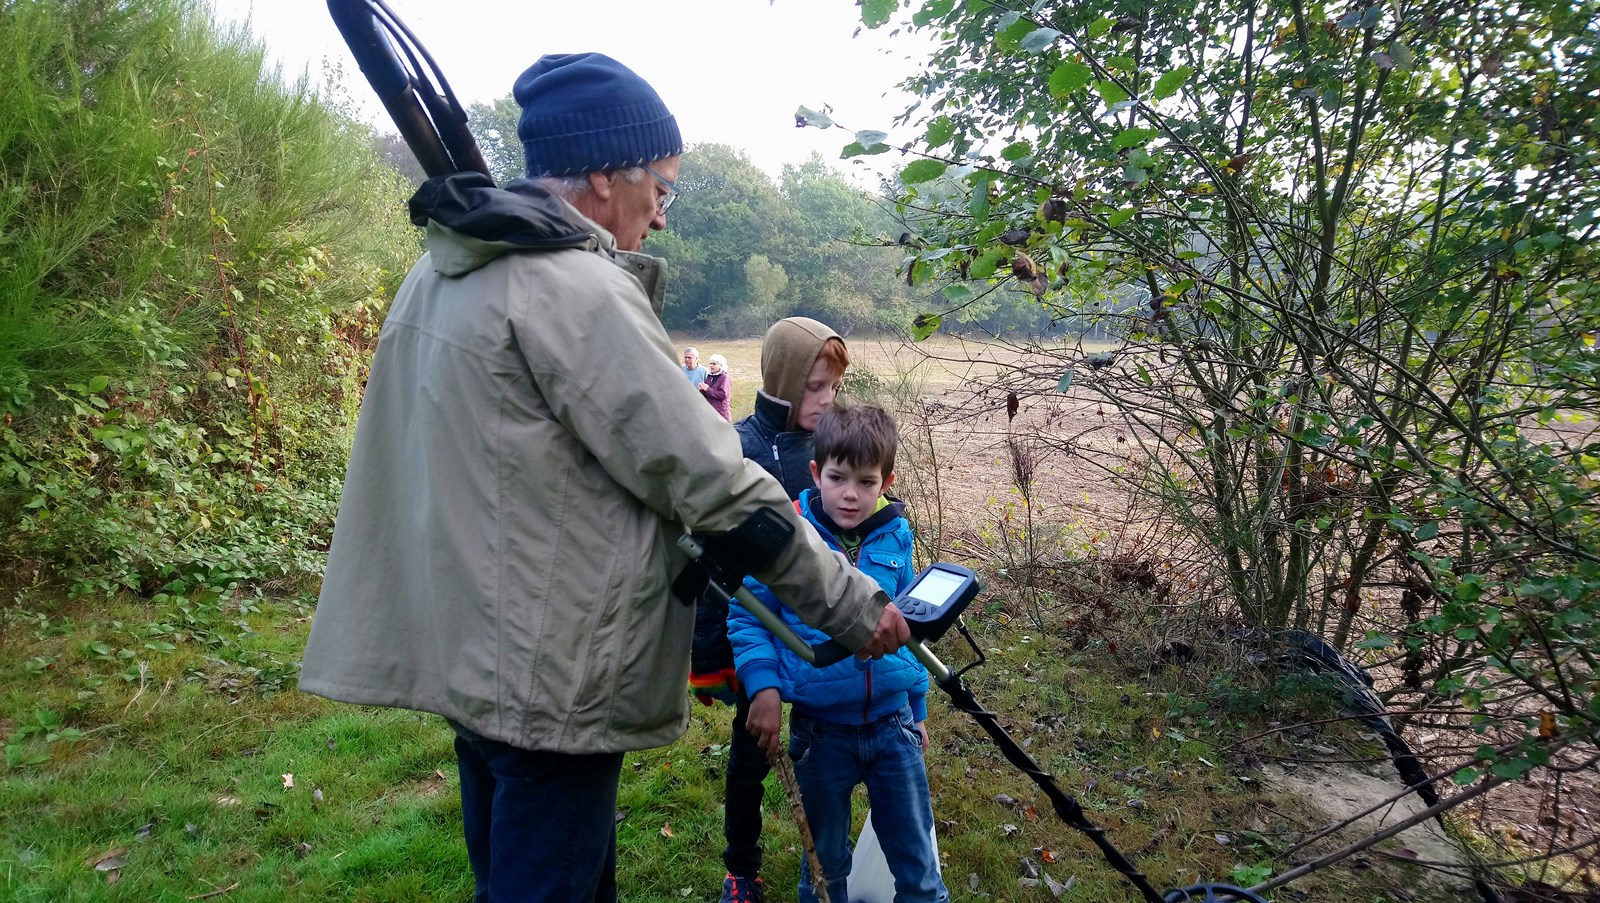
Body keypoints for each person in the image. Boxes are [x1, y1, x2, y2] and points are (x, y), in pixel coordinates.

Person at [298, 52, 910, 903]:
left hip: (477, 655)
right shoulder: (573, 290)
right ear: (598, 175)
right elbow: (715, 481)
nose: (661, 216)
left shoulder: (446, 268)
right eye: (660, 188)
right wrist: (851, 604)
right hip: (552, 673)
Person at [730, 404, 948, 903]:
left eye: (867, 482)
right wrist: (762, 687)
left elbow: (906, 630)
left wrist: (917, 711)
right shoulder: (788, 535)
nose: (851, 494)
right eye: (838, 477)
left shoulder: (896, 534)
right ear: (815, 473)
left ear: (885, 481)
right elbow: (748, 615)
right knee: (825, 868)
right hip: (821, 733)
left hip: (893, 728)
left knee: (918, 865)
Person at [689, 316, 850, 903]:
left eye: (833, 387)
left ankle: (831, 857)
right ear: (782, 379)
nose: (827, 400)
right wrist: (714, 650)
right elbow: (707, 551)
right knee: (752, 753)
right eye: (814, 387)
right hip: (752, 628)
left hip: (817, 633)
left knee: (827, 744)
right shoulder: (738, 446)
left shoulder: (829, 448)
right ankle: (741, 865)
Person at [701, 353, 732, 421]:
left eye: (714, 364)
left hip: (721, 414)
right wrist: (702, 390)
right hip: (710, 413)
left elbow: (723, 394)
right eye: (710, 363)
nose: (711, 366)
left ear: (721, 365)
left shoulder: (724, 378)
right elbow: (707, 393)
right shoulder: (710, 376)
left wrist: (707, 389)